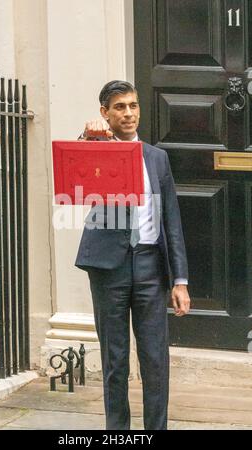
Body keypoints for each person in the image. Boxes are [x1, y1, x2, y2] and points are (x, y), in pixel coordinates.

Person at [75, 80, 191, 430]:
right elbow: (75, 174)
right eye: (119, 107)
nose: (128, 113)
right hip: (108, 267)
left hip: (150, 267)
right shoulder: (96, 148)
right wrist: (88, 137)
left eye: (133, 105)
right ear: (105, 114)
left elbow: (172, 219)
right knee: (115, 360)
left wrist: (180, 279)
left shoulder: (157, 158)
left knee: (156, 359)